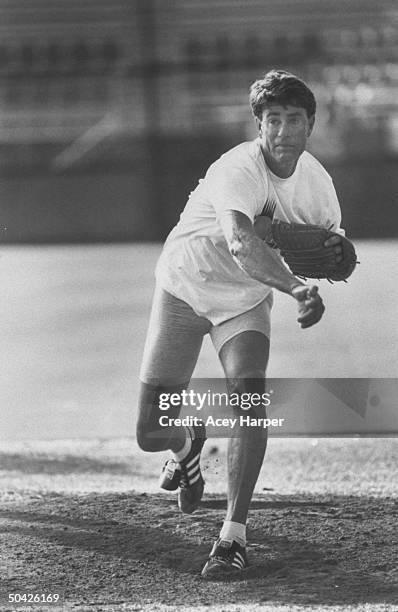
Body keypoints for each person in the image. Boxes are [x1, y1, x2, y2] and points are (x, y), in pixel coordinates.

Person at [136, 69, 344, 579]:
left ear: (310, 124)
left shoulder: (318, 185)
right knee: (148, 431)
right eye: (272, 119)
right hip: (186, 284)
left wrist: (332, 257)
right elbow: (240, 241)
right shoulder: (238, 166)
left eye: (293, 119)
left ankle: (233, 535)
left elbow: (332, 249)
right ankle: (187, 447)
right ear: (259, 124)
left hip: (244, 302)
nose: (282, 131)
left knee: (250, 402)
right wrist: (295, 287)